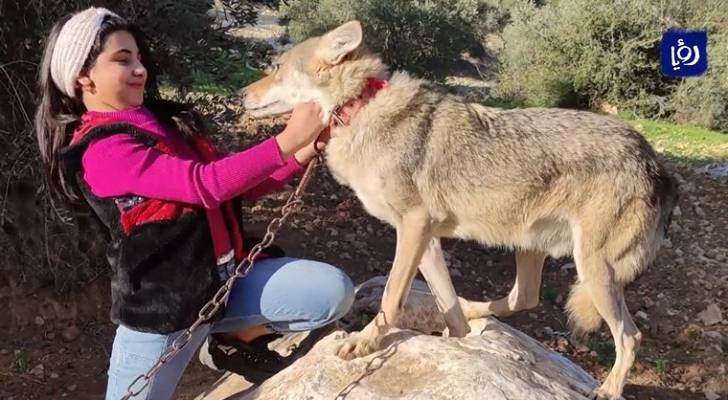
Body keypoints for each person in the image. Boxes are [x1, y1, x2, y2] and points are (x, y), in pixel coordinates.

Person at [34, 7, 354, 399]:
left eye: (138, 58)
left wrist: (303, 152)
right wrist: (288, 139)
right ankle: (213, 339)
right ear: (83, 76)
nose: (139, 69)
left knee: (331, 291)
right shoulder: (101, 149)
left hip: (222, 287)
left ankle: (233, 338)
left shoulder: (162, 123)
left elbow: (234, 186)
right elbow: (204, 185)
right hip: (162, 316)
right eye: (122, 60)